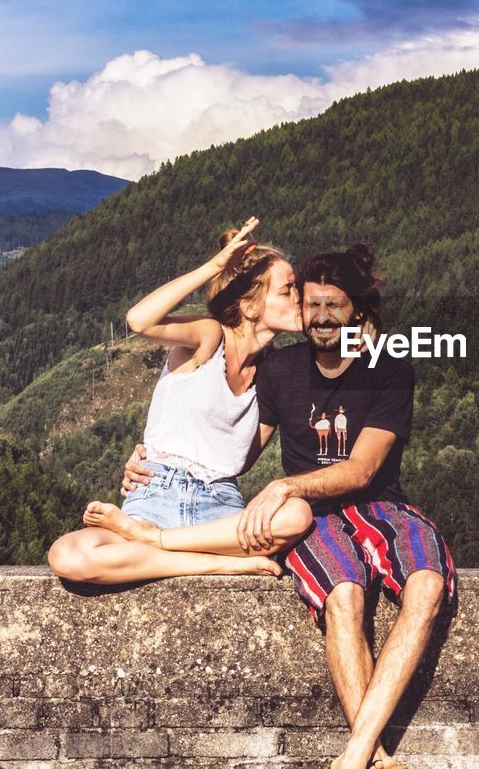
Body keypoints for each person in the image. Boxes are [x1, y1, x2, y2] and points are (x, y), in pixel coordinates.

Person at [123, 243, 455, 769]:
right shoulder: (278, 370)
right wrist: (152, 456)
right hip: (317, 517)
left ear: (358, 312)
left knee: (429, 585)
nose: (319, 316)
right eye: (310, 302)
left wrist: (286, 487)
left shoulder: (389, 369)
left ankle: (357, 753)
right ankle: (378, 759)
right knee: (343, 596)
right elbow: (230, 449)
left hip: (382, 506)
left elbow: (363, 470)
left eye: (334, 306)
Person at [47, 217, 314, 584]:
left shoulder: (274, 375)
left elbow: (240, 461)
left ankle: (157, 546)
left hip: (220, 510)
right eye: (288, 291)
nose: (300, 299)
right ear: (251, 307)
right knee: (68, 555)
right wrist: (216, 266)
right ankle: (215, 564)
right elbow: (140, 320)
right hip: (157, 495)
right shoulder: (210, 337)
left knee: (296, 514)